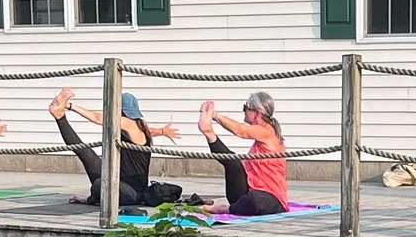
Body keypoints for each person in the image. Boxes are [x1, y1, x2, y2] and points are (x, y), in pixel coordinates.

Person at [49, 85, 187, 210]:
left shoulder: (129, 124)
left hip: (132, 193)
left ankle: (60, 115)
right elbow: (154, 131)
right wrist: (163, 131)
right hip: (118, 182)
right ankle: (60, 118)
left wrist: (70, 105)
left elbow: (98, 118)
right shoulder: (141, 127)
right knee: (87, 154)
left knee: (99, 183)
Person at [199, 94, 290, 218]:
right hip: (247, 193)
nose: (244, 112)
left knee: (255, 200)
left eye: (245, 108)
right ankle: (209, 133)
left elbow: (240, 130)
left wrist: (214, 115)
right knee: (234, 162)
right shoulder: (261, 134)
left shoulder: (268, 132)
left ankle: (223, 209)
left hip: (271, 198)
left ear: (256, 113)